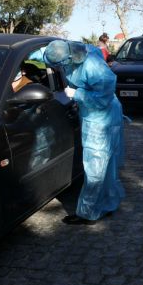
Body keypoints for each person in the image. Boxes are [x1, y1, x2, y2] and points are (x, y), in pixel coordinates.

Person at [44, 40, 125, 225]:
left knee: (96, 167)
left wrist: (77, 94)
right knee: (105, 165)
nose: (60, 68)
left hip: (101, 120)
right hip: (94, 116)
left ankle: (88, 213)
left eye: (61, 64)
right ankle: (108, 203)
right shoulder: (72, 50)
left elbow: (103, 97)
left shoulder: (93, 66)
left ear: (69, 57)